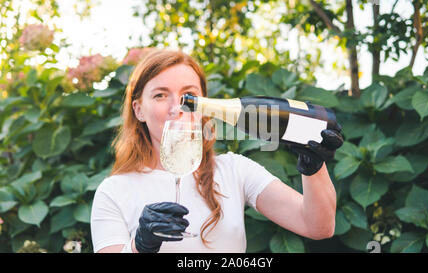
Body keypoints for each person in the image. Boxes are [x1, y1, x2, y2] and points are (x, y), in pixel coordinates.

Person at [90, 48, 343, 253]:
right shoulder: (113, 192)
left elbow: (318, 226)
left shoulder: (235, 170)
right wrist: (139, 247)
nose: (176, 107)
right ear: (138, 110)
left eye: (188, 95)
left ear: (205, 105)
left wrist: (314, 167)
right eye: (159, 95)